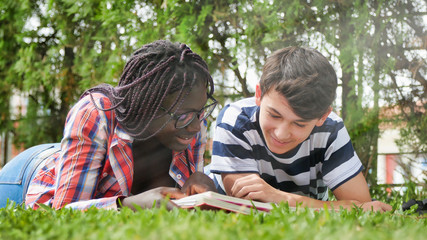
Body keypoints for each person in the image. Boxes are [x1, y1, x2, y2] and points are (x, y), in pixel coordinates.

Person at [0, 40, 218, 210]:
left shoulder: (191, 123)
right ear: (148, 106)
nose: (196, 127)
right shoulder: (95, 113)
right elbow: (64, 210)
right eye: (184, 117)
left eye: (200, 114)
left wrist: (200, 195)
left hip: (76, 155)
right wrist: (127, 205)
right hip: (25, 177)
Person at [209, 46, 392, 212]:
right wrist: (315, 205)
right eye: (274, 115)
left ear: (323, 116)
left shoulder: (330, 131)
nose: (281, 133)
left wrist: (278, 197)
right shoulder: (235, 121)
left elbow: (362, 206)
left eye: (299, 124)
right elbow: (250, 205)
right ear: (259, 95)